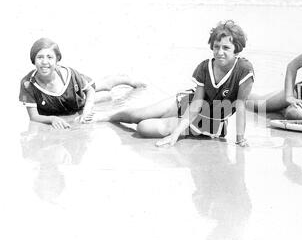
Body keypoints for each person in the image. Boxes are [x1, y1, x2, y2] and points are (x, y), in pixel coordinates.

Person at [93, 20, 255, 147]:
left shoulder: (244, 70)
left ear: (237, 49)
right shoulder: (205, 66)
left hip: (210, 120)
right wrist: (176, 133)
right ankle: (109, 117)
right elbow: (196, 103)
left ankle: (174, 124)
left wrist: (240, 139)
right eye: (216, 47)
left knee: (144, 128)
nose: (220, 52)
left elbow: (240, 106)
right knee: (138, 114)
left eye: (226, 47)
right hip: (190, 103)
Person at [19, 38, 145, 129]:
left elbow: (89, 90)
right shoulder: (28, 83)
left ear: (57, 60)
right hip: (63, 106)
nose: (44, 62)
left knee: (103, 86)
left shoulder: (69, 75)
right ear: (33, 59)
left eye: (49, 57)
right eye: (40, 57)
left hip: (78, 98)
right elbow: (34, 117)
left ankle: (127, 80)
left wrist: (86, 111)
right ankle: (105, 95)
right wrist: (51, 118)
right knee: (106, 97)